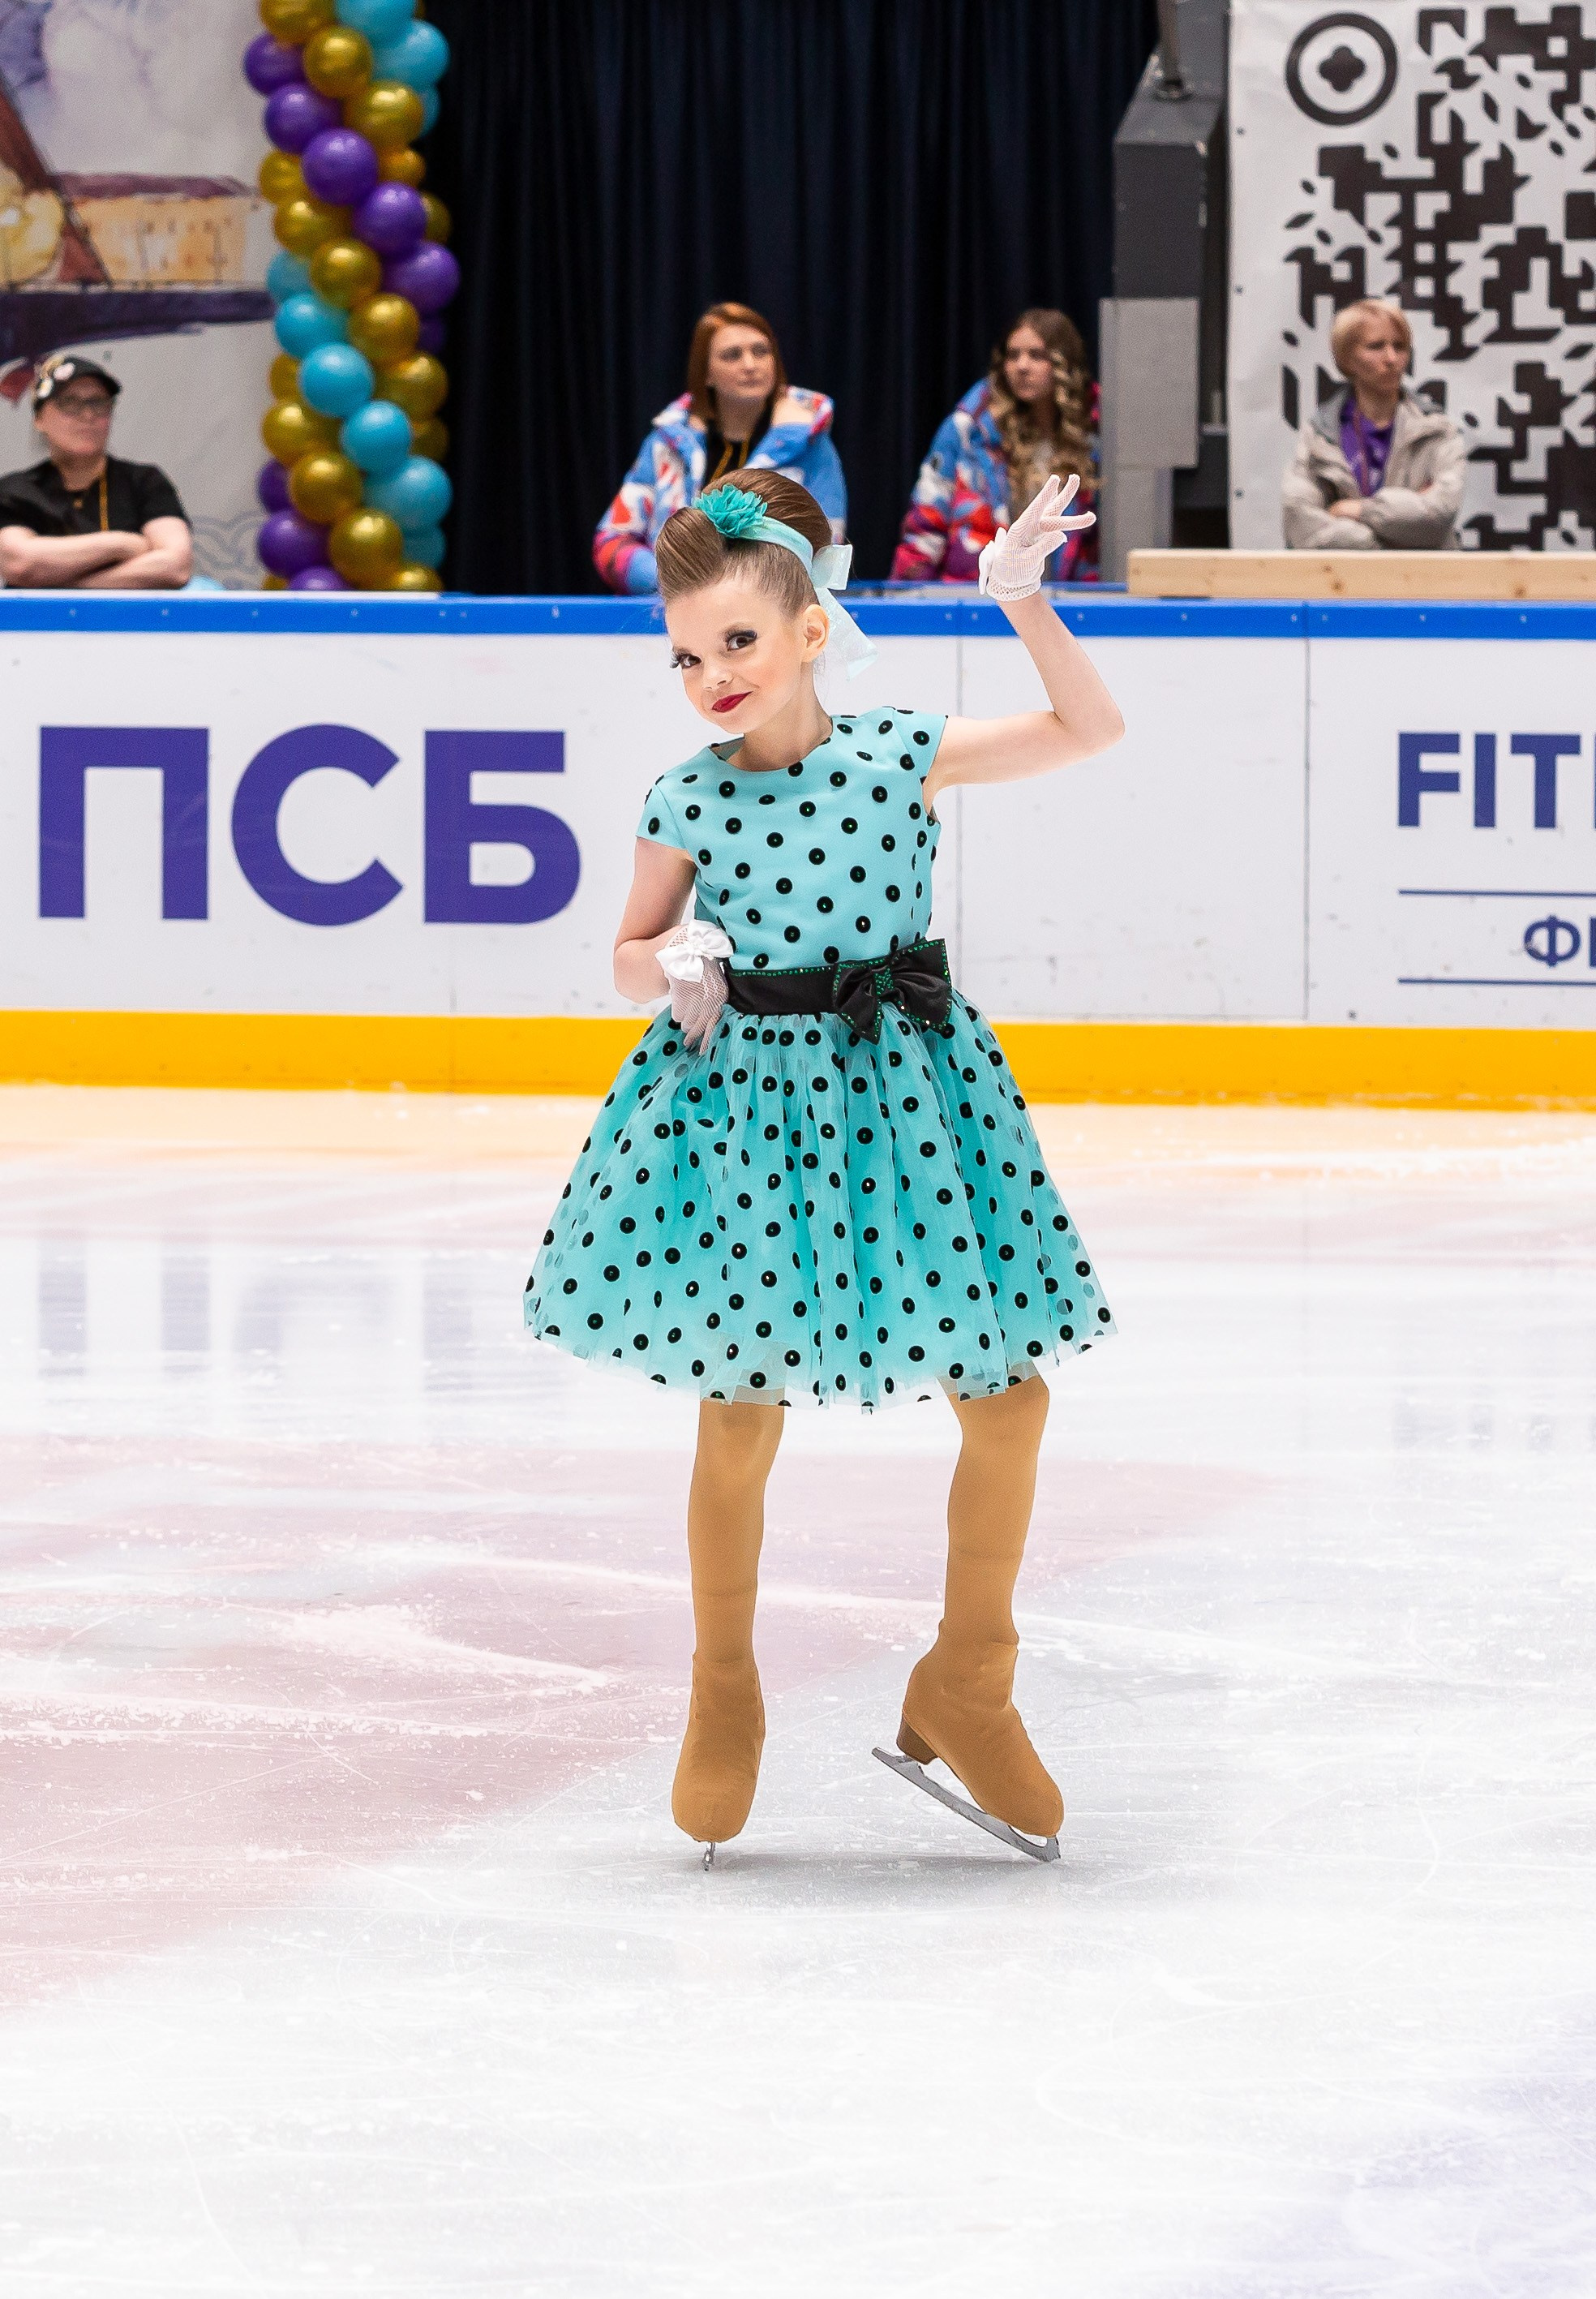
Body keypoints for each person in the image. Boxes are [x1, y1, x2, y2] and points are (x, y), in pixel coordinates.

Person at [526, 466, 1122, 1863]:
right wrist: (671, 959)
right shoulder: (684, 796)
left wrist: (1022, 599)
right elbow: (625, 948)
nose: (709, 675)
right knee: (737, 1413)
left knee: (1007, 1398)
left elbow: (1088, 727)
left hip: (907, 1101)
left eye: (736, 640)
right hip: (739, 1110)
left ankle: (970, 1671)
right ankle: (722, 1684)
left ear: (807, 627)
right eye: (684, 652)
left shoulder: (901, 747)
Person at [593, 303, 847, 595]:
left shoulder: (811, 444)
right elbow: (611, 542)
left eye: (761, 352)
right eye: (732, 355)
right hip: (675, 619)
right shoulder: (668, 443)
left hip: (770, 620)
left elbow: (828, 555)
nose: (750, 365)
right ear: (706, 374)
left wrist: (739, 591)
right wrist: (671, 581)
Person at [891, 308, 1100, 582]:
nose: (1022, 366)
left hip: (1068, 605)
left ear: (1065, 365)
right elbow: (925, 526)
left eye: (1036, 355)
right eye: (1013, 356)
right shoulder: (968, 431)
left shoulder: (1098, 434)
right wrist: (909, 606)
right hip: (977, 601)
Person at [1280, 299, 1466, 550]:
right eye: (1376, 346)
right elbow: (1301, 525)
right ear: (1346, 357)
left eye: (1400, 347)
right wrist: (1388, 540)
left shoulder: (1438, 431)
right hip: (1343, 585)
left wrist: (1358, 511)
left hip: (1425, 586)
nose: (1391, 358)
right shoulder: (1320, 436)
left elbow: (1438, 516)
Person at [0, 354, 192, 590]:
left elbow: (175, 566)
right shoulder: (17, 490)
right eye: (69, 402)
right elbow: (20, 564)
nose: (88, 415)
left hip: (129, 623)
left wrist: (66, 586)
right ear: (39, 419)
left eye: (99, 403)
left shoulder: (145, 482)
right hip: (41, 626)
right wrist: (124, 544)